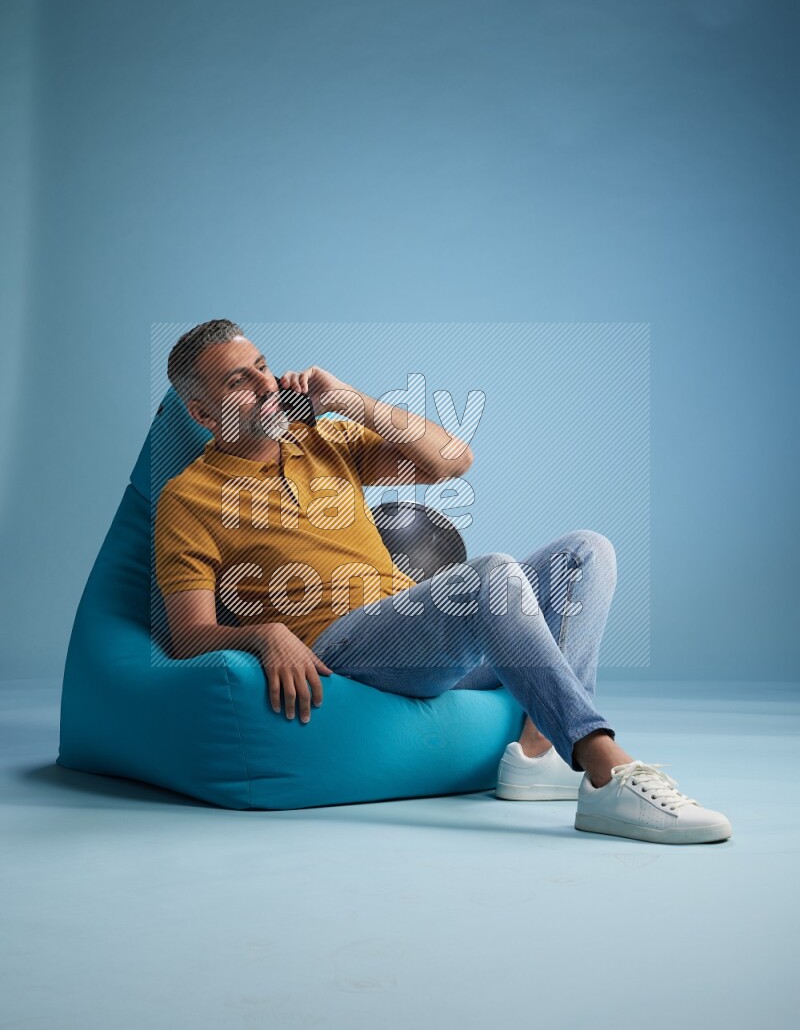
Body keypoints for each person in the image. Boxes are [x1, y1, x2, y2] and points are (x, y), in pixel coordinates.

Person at [155, 319, 732, 846]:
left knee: (585, 553)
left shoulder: (323, 441)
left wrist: (348, 401)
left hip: (413, 628)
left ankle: (538, 757)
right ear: (204, 414)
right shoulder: (188, 497)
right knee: (491, 575)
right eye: (239, 381)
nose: (266, 384)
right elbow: (188, 635)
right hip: (341, 648)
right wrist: (266, 635)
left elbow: (453, 459)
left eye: (262, 365)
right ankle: (605, 769)